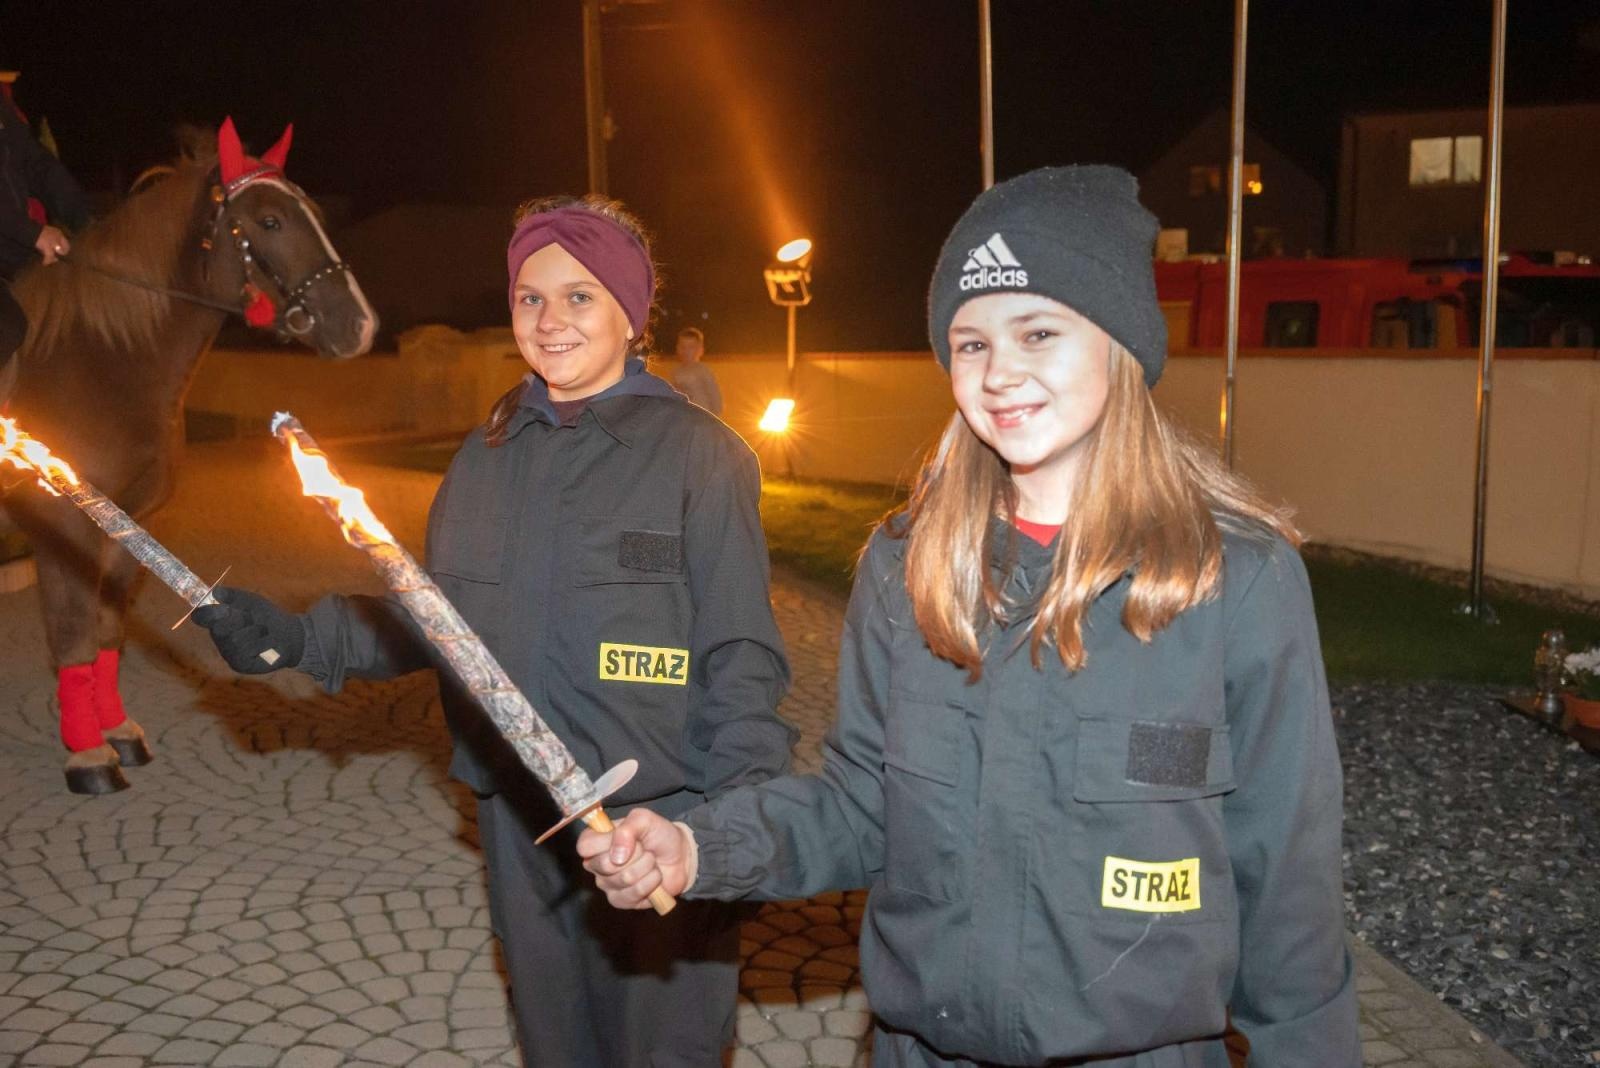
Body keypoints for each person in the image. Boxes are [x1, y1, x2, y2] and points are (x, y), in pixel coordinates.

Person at [580, 166, 1360, 1067]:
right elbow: (862, 803)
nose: (1001, 373)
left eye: (1039, 332)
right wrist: (694, 846)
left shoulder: (1233, 581)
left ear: (1118, 343)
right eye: (972, 343)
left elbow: (1287, 890)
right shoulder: (906, 565)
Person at [194, 194, 796, 1068]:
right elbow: (434, 618)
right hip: (526, 826)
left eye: (579, 296)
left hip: (662, 819)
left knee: (667, 1050)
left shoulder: (698, 453)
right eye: (530, 299)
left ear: (631, 311)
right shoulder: (487, 454)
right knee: (558, 1044)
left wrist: (730, 837)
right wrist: (298, 637)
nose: (550, 321)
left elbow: (743, 653)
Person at [0, 69, 88, 395]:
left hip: (11, 253)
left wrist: (87, 223)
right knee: (7, 323)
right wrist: (33, 233)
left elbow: (37, 164)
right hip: (14, 243)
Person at [666, 325, 722, 415]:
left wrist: (714, 419)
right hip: (684, 416)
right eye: (683, 346)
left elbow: (715, 397)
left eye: (691, 347)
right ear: (677, 348)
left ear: (700, 350)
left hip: (702, 417)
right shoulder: (676, 372)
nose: (686, 351)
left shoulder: (703, 370)